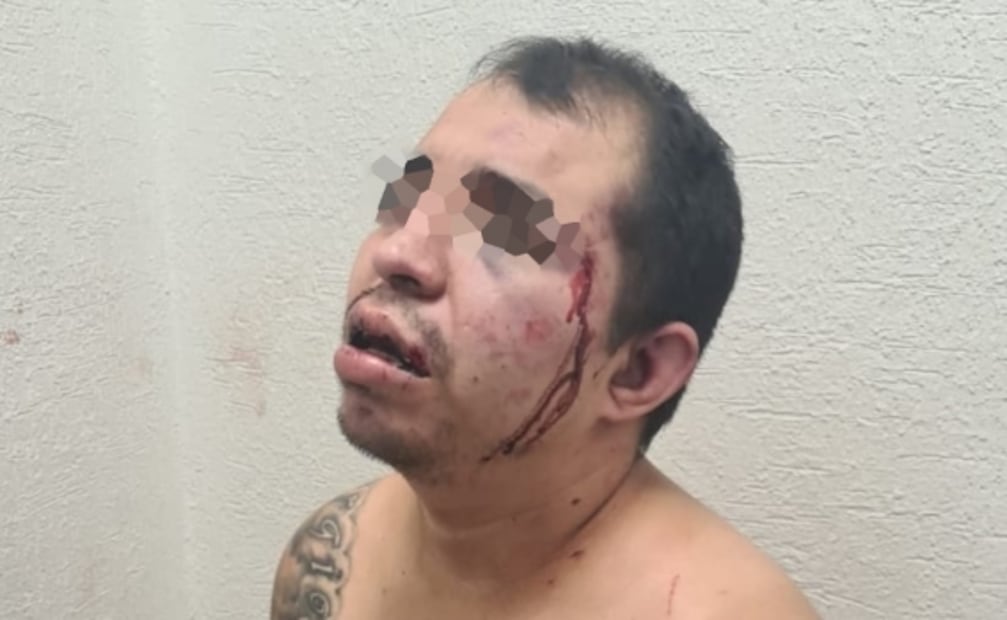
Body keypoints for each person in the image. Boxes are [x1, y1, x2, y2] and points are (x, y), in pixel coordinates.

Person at [271, 36, 819, 620]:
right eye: (403, 199)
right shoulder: (333, 559)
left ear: (639, 370)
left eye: (500, 231)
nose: (399, 253)